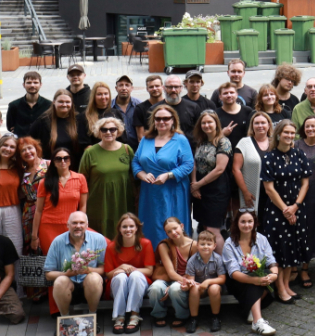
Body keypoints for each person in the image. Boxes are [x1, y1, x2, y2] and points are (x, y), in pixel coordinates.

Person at [260, 120, 310, 302]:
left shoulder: (299, 154)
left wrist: (295, 206)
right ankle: (280, 289)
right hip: (277, 210)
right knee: (280, 250)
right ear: (278, 134)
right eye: (286, 133)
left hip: (297, 208)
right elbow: (269, 189)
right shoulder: (269, 157)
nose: (289, 136)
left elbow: (305, 183)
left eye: (292, 133)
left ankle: (287, 285)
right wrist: (286, 210)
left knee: (292, 248)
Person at [132, 105, 194, 247]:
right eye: (158, 119)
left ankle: (176, 255)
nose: (161, 122)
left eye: (166, 118)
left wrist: (169, 175)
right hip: (150, 191)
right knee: (151, 224)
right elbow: (135, 162)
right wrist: (142, 175)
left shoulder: (180, 140)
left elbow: (188, 164)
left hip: (173, 191)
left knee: (172, 224)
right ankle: (153, 255)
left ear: (173, 120)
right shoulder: (146, 139)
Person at [78, 117, 134, 242]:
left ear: (118, 131)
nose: (108, 132)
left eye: (112, 129)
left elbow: (134, 175)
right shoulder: (90, 152)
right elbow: (82, 181)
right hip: (99, 202)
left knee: (123, 231)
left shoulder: (126, 149)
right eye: (104, 129)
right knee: (100, 236)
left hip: (122, 200)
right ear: (99, 132)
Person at [222, 209, 279, 335]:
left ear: (254, 223)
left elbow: (271, 261)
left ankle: (251, 311)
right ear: (237, 223)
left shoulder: (262, 239)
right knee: (254, 283)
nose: (246, 225)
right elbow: (234, 273)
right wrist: (255, 280)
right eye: (243, 222)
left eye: (250, 221)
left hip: (259, 280)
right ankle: (257, 322)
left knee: (265, 274)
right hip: (237, 282)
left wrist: (274, 275)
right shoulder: (229, 244)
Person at [42, 211, 107, 316]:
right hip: (68, 285)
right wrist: (66, 274)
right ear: (68, 225)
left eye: (81, 223)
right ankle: (65, 319)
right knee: (60, 281)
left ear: (87, 225)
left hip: (90, 285)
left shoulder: (98, 239)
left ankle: (91, 316)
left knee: (94, 278)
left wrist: (88, 270)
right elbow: (48, 274)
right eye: (74, 223)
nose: (78, 226)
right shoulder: (57, 241)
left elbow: (104, 270)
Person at [31, 146, 88, 257]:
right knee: (53, 260)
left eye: (66, 158)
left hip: (71, 226)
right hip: (48, 228)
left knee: (72, 259)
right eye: (58, 159)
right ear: (53, 162)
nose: (63, 161)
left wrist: (81, 224)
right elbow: (38, 210)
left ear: (70, 160)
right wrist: (34, 236)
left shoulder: (80, 178)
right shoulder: (45, 182)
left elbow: (83, 206)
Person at [103, 212, 152, 334]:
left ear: (137, 228)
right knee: (120, 277)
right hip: (118, 284)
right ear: (119, 229)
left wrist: (130, 269)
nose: (128, 229)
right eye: (124, 226)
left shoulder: (145, 244)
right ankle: (119, 316)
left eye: (131, 226)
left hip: (139, 282)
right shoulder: (111, 247)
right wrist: (121, 268)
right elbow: (108, 274)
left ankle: (135, 314)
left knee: (135, 275)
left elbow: (149, 271)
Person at [191, 110, 234, 243]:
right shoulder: (200, 141)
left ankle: (221, 257)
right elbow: (194, 164)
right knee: (205, 227)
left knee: (213, 229)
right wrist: (194, 184)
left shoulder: (223, 142)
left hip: (217, 191)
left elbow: (219, 169)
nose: (206, 125)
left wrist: (198, 184)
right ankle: (209, 256)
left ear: (216, 123)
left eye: (210, 122)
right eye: (203, 123)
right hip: (201, 191)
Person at [145, 217, 195, 326]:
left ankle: (182, 316)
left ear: (182, 226)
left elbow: (195, 270)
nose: (173, 233)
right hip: (167, 277)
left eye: (175, 228)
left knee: (176, 289)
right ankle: (158, 314)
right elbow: (171, 273)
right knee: (155, 288)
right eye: (169, 231)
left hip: (186, 278)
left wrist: (178, 284)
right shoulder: (164, 245)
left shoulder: (194, 245)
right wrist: (171, 284)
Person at [295, 115, 315, 284]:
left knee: (312, 228)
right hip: (298, 191)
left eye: (313, 126)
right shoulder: (296, 145)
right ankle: (294, 266)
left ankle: (305, 268)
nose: (310, 129)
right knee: (297, 228)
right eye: (307, 126)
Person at [181, 230, 228, 333]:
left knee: (214, 288)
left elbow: (222, 278)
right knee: (194, 288)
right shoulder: (192, 260)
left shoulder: (218, 259)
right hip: (199, 287)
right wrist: (190, 283)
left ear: (214, 246)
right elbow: (191, 279)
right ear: (197, 245)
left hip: (214, 287)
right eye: (202, 244)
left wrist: (208, 282)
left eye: (209, 244)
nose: (205, 247)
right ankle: (193, 318)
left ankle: (215, 317)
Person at [234, 112, 275, 214]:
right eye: (256, 123)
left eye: (263, 123)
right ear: (252, 126)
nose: (260, 126)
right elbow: (236, 169)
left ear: (269, 125)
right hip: (252, 193)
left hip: (273, 192)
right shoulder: (244, 143)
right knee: (252, 219)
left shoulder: (275, 143)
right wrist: (245, 192)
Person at [37, 89, 88, 160]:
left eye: (67, 102)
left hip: (75, 164)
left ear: (72, 103)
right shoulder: (43, 121)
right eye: (61, 102)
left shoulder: (79, 120)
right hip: (51, 163)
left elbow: (86, 144)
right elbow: (32, 142)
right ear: (54, 102)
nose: (64, 105)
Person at [7, 71, 51, 137]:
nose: (32, 85)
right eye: (29, 83)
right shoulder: (14, 105)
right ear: (23, 85)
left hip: (41, 142)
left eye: (35, 82)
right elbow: (10, 126)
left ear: (40, 84)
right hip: (21, 141)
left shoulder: (49, 105)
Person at [129, 74, 165, 147]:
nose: (154, 89)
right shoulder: (140, 108)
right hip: (149, 147)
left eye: (157, 86)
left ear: (162, 87)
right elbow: (140, 136)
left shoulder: (170, 105)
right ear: (147, 89)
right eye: (151, 87)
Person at [177, 70, 211, 135]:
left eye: (198, 82)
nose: (195, 85)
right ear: (186, 83)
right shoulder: (179, 103)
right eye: (191, 82)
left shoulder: (209, 104)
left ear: (201, 83)